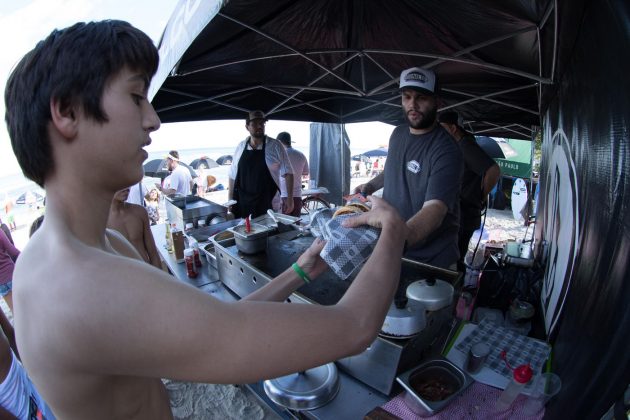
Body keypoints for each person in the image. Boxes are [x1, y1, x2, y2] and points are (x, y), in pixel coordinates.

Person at [5, 20, 408, 418]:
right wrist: (393, 230)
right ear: (67, 111)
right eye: (135, 97)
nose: (153, 120)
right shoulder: (83, 285)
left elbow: (218, 324)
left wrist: (298, 273)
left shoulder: (83, 251)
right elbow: (354, 327)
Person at [355, 67, 464, 269]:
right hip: (392, 248)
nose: (412, 105)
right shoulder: (398, 134)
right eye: (406, 97)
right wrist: (370, 185)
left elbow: (435, 209)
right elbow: (392, 170)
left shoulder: (446, 150)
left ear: (437, 102)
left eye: (421, 98)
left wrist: (397, 240)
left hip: (430, 261)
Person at [439, 111, 501, 266]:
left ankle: (455, 288)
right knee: (453, 259)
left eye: (442, 128)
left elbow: (493, 171)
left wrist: (479, 196)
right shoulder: (459, 146)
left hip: (464, 215)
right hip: (463, 214)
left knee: (453, 260)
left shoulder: (465, 145)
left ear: (453, 128)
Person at [228, 110, 295, 218]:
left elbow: (288, 173)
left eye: (262, 123)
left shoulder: (275, 145)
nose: (259, 126)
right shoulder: (240, 147)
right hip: (243, 205)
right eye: (255, 123)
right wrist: (230, 201)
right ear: (247, 127)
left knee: (271, 234)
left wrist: (290, 199)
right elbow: (232, 176)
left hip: (269, 205)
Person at [107, 188, 162, 269]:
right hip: (122, 277)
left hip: (147, 273)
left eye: (128, 182)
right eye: (120, 181)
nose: (126, 187)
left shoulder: (140, 212)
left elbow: (153, 253)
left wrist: (159, 278)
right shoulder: (100, 221)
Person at [277, 131, 309, 217]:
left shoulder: (280, 155)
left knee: (284, 226)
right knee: (296, 226)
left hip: (284, 195)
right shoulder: (301, 155)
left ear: (279, 142)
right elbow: (305, 173)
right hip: (298, 195)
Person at [0, 229, 19, 312]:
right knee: (26, 305)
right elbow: (13, 251)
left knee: (15, 311)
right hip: (11, 274)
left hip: (1, 282)